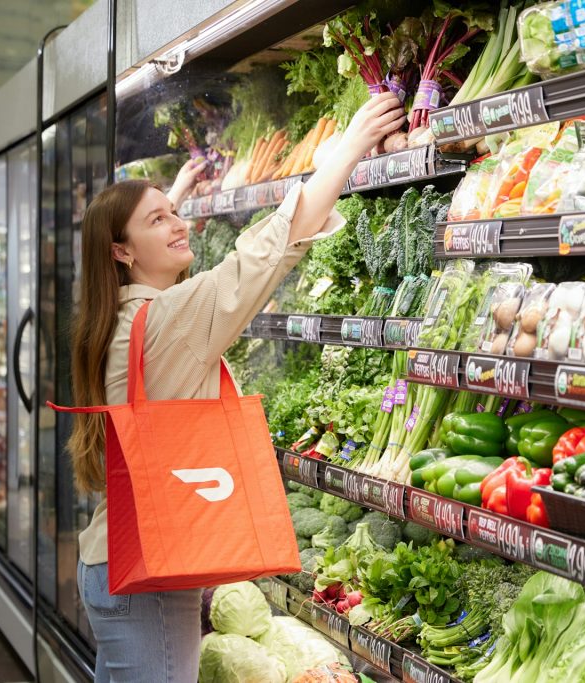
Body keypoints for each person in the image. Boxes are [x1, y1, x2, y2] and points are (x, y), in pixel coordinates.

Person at [68, 92, 406, 683]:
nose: (178, 223)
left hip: (122, 559)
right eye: (160, 221)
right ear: (121, 252)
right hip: (144, 575)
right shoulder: (168, 319)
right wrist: (351, 145)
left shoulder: (115, 314)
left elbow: (130, 243)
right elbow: (263, 253)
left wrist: (163, 202)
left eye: (174, 213)